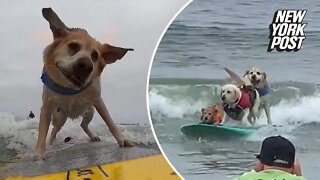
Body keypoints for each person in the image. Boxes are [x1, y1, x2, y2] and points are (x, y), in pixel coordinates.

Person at [234, 135, 306, 180]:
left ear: (261, 162)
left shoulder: (244, 178)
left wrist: (253, 172)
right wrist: (299, 176)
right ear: (294, 166)